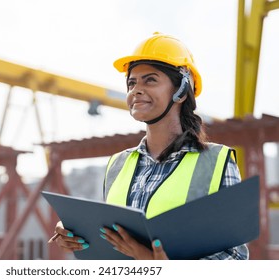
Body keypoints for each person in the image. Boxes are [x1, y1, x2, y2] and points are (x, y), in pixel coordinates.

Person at [52, 32, 249, 260]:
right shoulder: (118, 164)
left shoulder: (216, 162)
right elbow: (114, 239)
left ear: (182, 90)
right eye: (131, 82)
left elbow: (235, 258)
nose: (136, 89)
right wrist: (78, 232)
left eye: (150, 80)